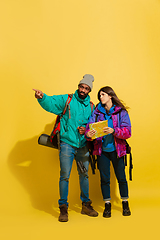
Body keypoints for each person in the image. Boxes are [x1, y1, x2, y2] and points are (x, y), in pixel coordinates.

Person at [33, 74, 98, 222]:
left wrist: (86, 130)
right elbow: (51, 102)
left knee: (84, 175)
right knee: (65, 176)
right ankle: (63, 208)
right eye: (81, 86)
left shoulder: (92, 107)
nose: (83, 90)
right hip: (67, 144)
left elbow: (93, 126)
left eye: (86, 88)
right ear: (78, 86)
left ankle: (86, 205)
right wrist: (42, 97)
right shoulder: (67, 99)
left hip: (82, 146)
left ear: (89, 90)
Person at [85, 86, 131, 218]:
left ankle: (125, 203)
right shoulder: (96, 112)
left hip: (117, 150)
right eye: (99, 95)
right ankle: (107, 205)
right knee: (104, 179)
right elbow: (89, 128)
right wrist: (89, 133)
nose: (100, 97)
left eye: (103, 94)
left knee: (121, 178)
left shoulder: (121, 112)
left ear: (110, 96)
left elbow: (128, 132)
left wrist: (114, 131)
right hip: (101, 151)